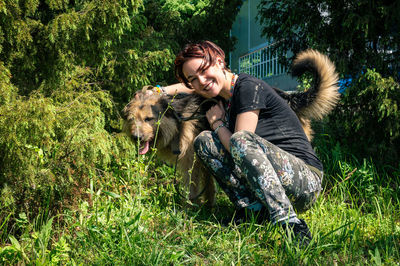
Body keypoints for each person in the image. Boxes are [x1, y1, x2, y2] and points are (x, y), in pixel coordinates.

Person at [152, 40, 323, 246]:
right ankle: (251, 211)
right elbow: (190, 88)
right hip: (270, 181)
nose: (202, 81)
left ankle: (289, 223)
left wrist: (217, 124)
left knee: (238, 138)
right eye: (193, 79)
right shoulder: (221, 95)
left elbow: (239, 145)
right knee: (204, 141)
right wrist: (158, 91)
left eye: (204, 70)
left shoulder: (247, 87)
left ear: (219, 61)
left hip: (304, 183)